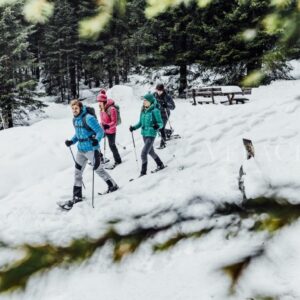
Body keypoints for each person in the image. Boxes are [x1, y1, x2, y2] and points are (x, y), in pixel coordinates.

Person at [64, 100, 118, 210]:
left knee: (99, 170)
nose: (74, 110)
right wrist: (71, 141)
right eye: (73, 109)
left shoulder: (88, 118)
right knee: (77, 173)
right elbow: (78, 134)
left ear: (80, 108)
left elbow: (100, 131)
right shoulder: (74, 120)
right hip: (81, 150)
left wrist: (96, 140)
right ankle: (77, 197)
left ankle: (112, 185)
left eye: (76, 108)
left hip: (91, 150)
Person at [129, 93, 165, 176]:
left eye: (146, 100)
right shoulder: (143, 111)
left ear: (151, 101)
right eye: (143, 100)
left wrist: (157, 126)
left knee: (143, 153)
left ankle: (143, 172)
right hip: (144, 134)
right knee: (151, 152)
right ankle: (160, 164)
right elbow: (140, 123)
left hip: (151, 134)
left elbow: (161, 123)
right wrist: (133, 128)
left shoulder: (155, 111)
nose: (144, 102)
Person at [97, 90, 122, 168]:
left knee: (112, 145)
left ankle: (118, 160)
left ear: (104, 101)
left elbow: (114, 122)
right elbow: (102, 121)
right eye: (98, 101)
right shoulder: (101, 108)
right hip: (104, 129)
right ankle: (100, 157)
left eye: (100, 101)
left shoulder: (112, 109)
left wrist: (107, 126)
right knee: (95, 141)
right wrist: (100, 127)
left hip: (111, 130)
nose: (99, 103)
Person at [153, 83, 176, 149]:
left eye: (160, 91)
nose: (158, 92)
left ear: (163, 90)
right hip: (157, 114)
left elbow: (173, 107)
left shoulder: (167, 96)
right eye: (157, 90)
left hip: (164, 114)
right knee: (156, 127)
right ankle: (168, 131)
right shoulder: (154, 95)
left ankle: (163, 143)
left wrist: (166, 105)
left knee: (161, 127)